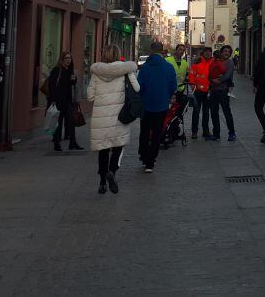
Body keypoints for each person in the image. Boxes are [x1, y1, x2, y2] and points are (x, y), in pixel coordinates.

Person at [87, 45, 139, 194]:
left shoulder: (97, 72)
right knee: (117, 146)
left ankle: (102, 183)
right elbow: (137, 88)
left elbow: (90, 96)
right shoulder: (126, 71)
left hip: (100, 118)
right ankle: (112, 171)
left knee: (103, 149)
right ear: (118, 54)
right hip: (119, 116)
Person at [136, 40, 177, 172]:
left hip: (146, 105)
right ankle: (150, 162)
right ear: (162, 51)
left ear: (151, 51)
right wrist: (167, 95)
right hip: (161, 105)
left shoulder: (145, 68)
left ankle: (143, 156)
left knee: (144, 132)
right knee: (157, 133)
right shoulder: (168, 67)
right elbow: (173, 86)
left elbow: (139, 87)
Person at [47, 51, 83, 152]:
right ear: (62, 59)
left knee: (71, 122)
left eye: (70, 58)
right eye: (66, 58)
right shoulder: (56, 70)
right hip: (58, 100)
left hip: (68, 100)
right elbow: (52, 85)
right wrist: (53, 99)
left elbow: (71, 84)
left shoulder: (70, 70)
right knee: (58, 123)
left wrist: (73, 80)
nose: (68, 60)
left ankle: (73, 143)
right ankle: (57, 144)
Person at [207, 45, 236, 141]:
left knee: (227, 112)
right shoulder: (215, 61)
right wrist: (212, 79)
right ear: (221, 52)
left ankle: (232, 133)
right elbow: (209, 72)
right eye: (225, 51)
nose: (227, 53)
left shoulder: (230, 62)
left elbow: (227, 76)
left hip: (223, 90)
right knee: (214, 113)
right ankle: (216, 134)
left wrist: (218, 80)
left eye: (229, 52)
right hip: (214, 90)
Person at [187, 48, 213, 140]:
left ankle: (206, 132)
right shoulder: (197, 63)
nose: (208, 53)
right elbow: (191, 75)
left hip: (208, 92)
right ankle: (194, 132)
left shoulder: (213, 63)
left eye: (209, 51)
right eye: (206, 51)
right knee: (196, 112)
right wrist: (193, 86)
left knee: (206, 113)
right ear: (203, 53)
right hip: (197, 92)